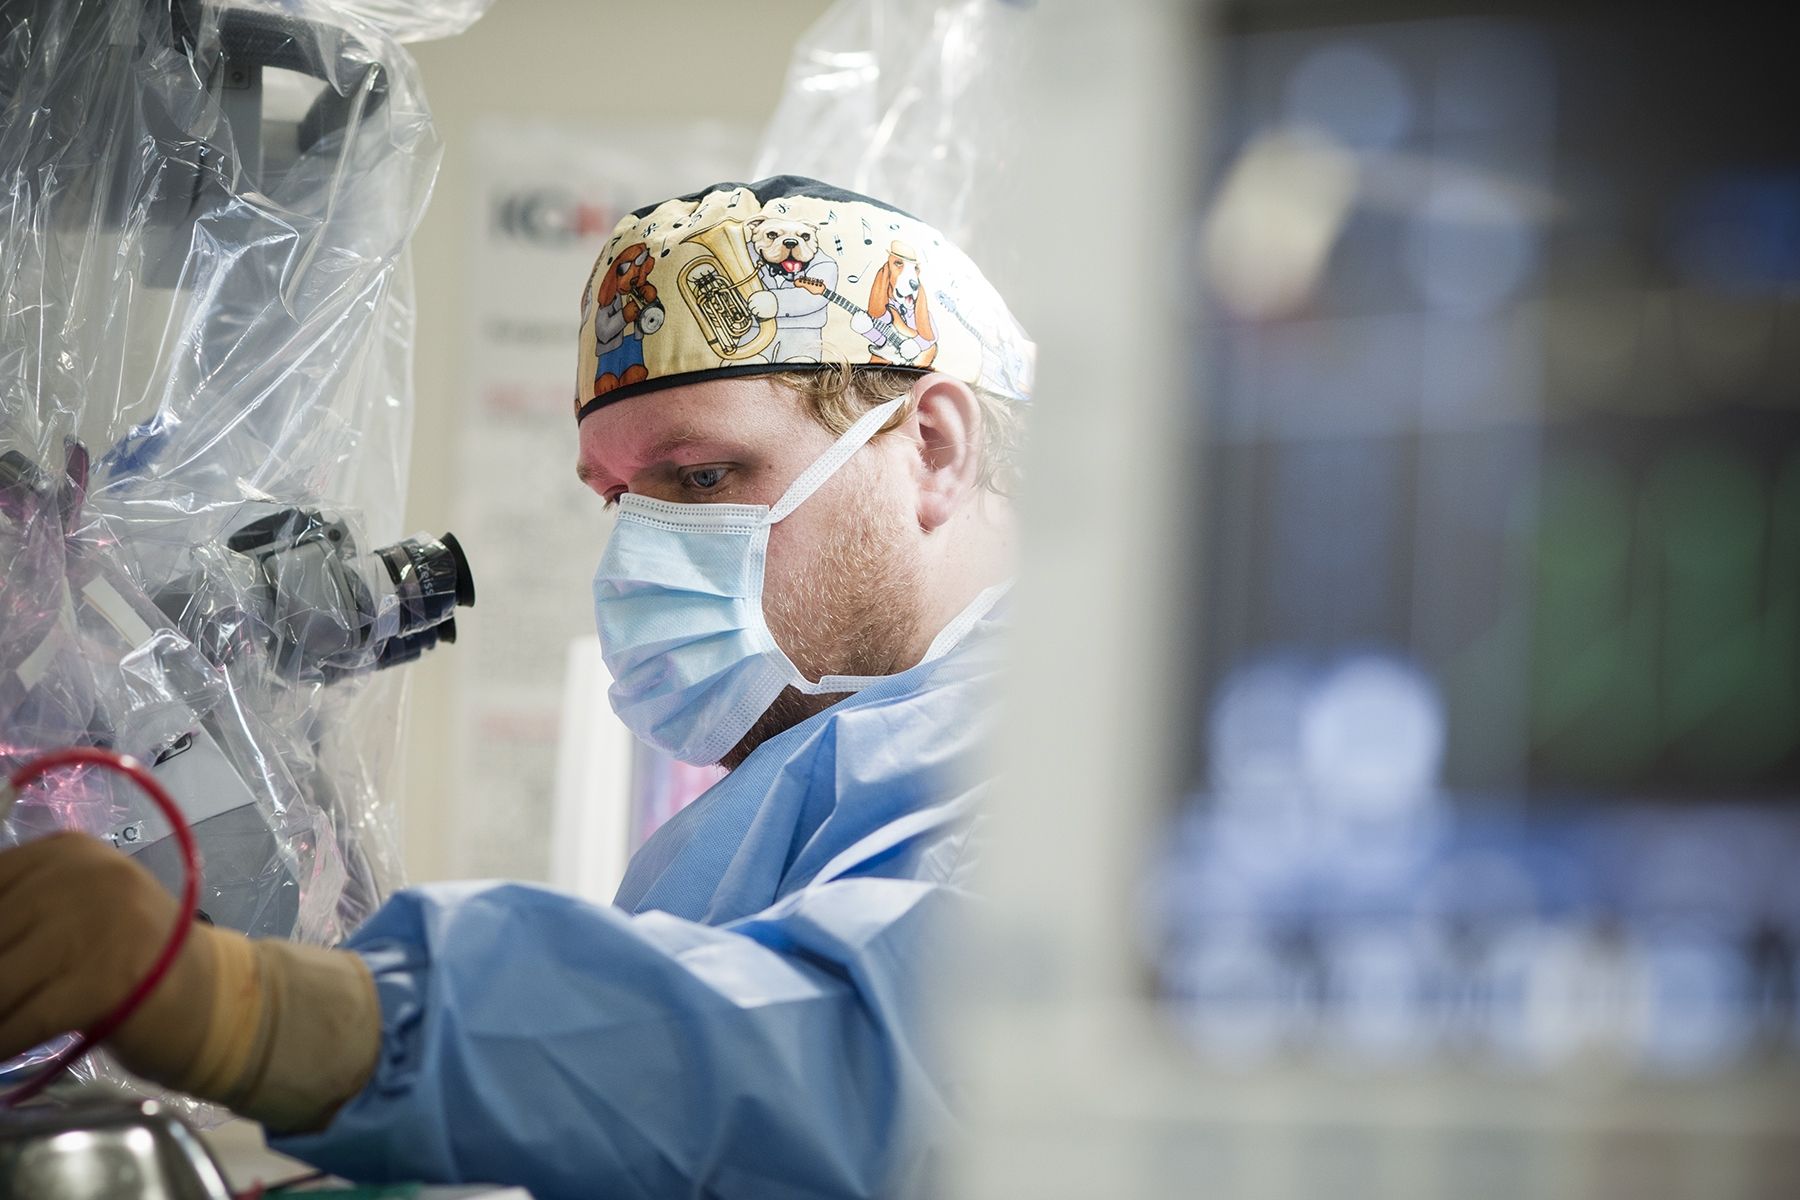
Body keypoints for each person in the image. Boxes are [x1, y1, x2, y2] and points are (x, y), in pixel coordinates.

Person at [0, 177, 1032, 1199]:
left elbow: (836, 1065)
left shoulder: (1054, 789)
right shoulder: (761, 816)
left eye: (703, 476)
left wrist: (247, 1010)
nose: (642, 548)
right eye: (617, 497)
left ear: (932, 449)